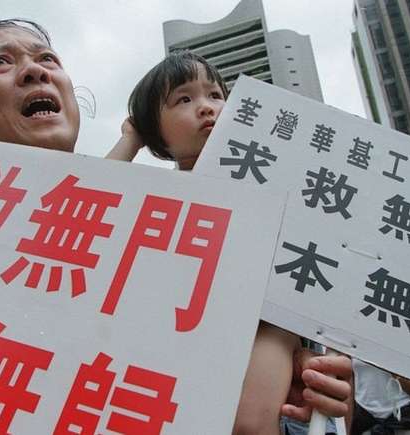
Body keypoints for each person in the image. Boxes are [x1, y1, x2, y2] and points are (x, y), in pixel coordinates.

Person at [0, 18, 352, 432]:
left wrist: (305, 361)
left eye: (47, 58)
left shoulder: (267, 194)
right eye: (1, 62)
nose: (208, 107)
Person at [106, 51, 348, 434]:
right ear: (156, 134)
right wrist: (131, 139)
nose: (206, 108)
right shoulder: (159, 194)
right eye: (184, 99)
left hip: (269, 328)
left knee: (251, 420)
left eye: (215, 95)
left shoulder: (270, 174)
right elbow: (93, 199)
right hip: (192, 346)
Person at [347, 358, 410, 435]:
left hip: (401, 419)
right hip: (364, 419)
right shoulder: (354, 347)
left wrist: (389, 365)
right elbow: (348, 387)